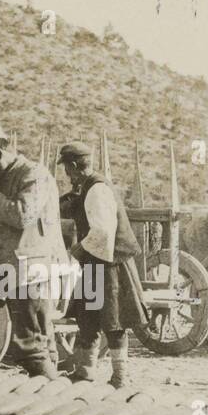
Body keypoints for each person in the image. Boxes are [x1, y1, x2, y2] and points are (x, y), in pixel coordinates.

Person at [0, 119, 67, 377]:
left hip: (31, 270)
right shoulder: (7, 177)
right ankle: (51, 400)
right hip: (16, 269)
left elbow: (23, 216)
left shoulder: (33, 174)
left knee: (30, 343)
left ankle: (49, 395)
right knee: (41, 339)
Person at [58, 142, 149, 388]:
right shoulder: (86, 187)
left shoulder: (97, 190)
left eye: (67, 169)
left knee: (113, 321)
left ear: (75, 167)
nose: (66, 175)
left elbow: (102, 231)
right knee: (86, 316)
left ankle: (121, 376)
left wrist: (80, 248)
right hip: (95, 261)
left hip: (111, 263)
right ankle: (85, 371)